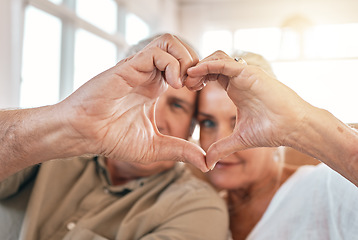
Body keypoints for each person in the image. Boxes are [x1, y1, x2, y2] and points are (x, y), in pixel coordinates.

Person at [0, 34, 229, 240]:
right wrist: (68, 122)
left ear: (191, 129)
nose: (150, 117)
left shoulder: (197, 208)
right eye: (139, 94)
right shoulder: (53, 147)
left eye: (177, 105)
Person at [185, 50, 358, 239]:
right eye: (208, 123)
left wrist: (300, 125)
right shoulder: (197, 214)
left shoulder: (328, 187)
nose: (218, 141)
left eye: (239, 123)